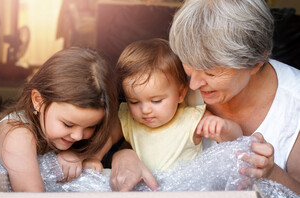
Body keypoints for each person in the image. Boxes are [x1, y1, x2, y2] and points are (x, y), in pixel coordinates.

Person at [109, 0, 300, 194]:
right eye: (189, 65)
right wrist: (124, 155)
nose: (193, 85)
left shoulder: (295, 103)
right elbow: (142, 133)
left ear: (255, 64)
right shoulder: (171, 80)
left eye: (210, 73)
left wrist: (270, 173)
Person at [88, 38, 242, 173]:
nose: (145, 110)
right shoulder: (129, 119)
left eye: (156, 101)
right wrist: (96, 157)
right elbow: (108, 136)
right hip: (145, 191)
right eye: (134, 102)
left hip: (184, 192)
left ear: (180, 94)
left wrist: (224, 127)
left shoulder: (192, 119)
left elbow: (237, 140)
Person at [0, 47, 118, 192]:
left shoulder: (64, 128)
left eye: (90, 127)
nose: (78, 136)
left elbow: (116, 128)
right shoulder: (17, 135)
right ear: (38, 101)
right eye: (68, 124)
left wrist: (91, 157)